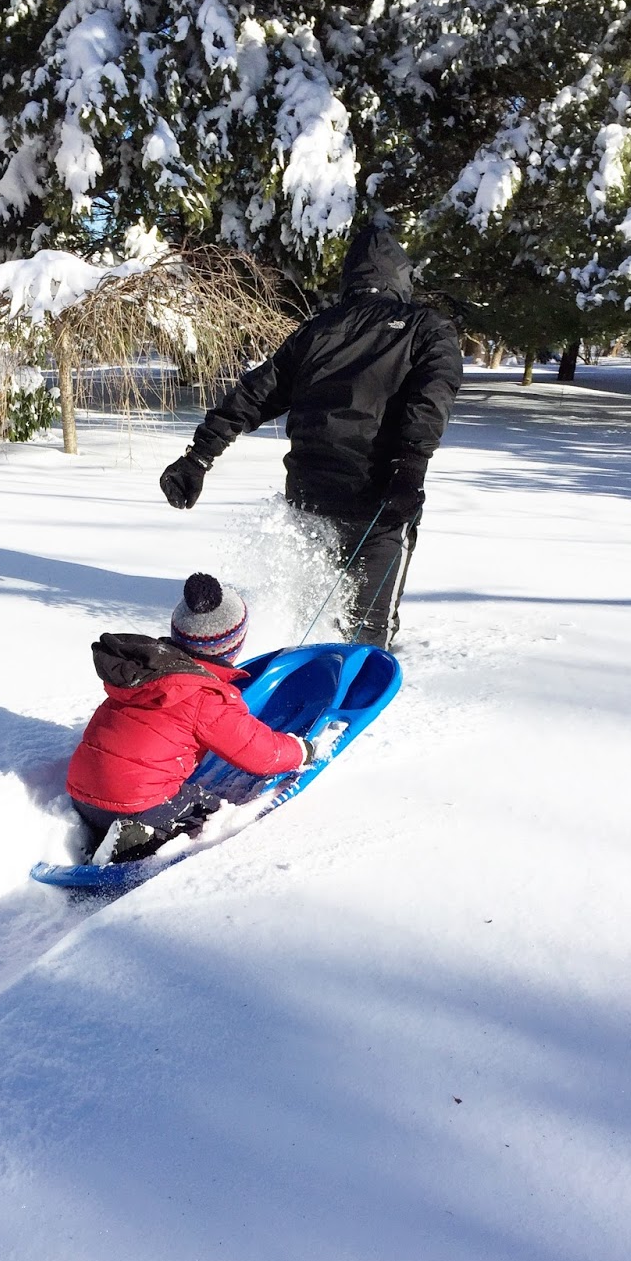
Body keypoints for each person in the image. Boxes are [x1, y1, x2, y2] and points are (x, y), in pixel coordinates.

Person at [159, 224, 463, 649]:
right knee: (364, 634)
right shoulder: (426, 326)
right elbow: (434, 395)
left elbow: (253, 394)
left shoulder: (317, 330)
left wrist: (198, 457)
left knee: (311, 615)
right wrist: (411, 465)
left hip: (309, 494)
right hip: (381, 498)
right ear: (401, 275)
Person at [67, 573, 315, 862]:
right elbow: (260, 753)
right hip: (135, 804)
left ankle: (103, 833)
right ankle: (138, 841)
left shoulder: (146, 673)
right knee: (212, 814)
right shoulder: (205, 695)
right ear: (232, 645)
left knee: (135, 793)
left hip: (81, 794)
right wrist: (301, 751)